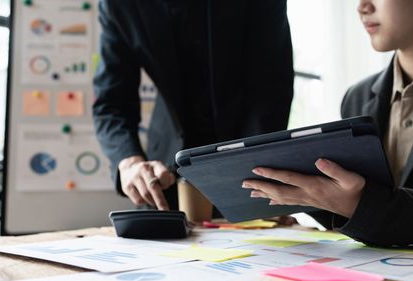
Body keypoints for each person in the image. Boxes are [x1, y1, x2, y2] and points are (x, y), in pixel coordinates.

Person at [243, 0, 413, 248]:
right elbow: (362, 216)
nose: (362, 6)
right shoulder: (357, 98)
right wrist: (310, 200)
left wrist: (365, 206)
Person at [93, 0, 294, 211]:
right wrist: (129, 162)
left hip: (246, 160)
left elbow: (271, 88)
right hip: (165, 172)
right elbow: (112, 102)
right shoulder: (119, 4)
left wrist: (253, 164)